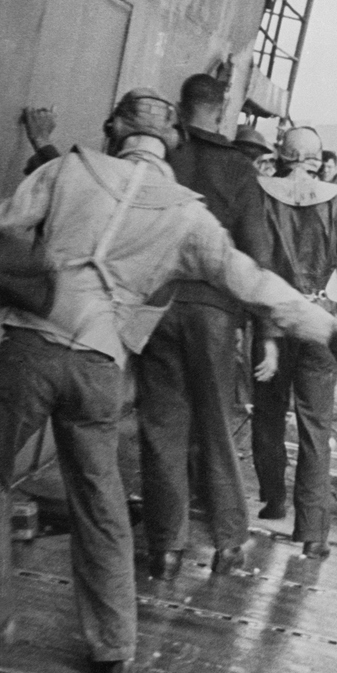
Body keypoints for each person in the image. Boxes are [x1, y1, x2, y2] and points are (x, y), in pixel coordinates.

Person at [0, 89, 337, 673]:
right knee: (100, 503)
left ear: (113, 130)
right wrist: (326, 325)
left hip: (33, 350)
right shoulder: (188, 215)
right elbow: (251, 280)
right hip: (102, 367)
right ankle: (114, 647)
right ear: (169, 144)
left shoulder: (68, 168)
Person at [137, 73, 276, 581]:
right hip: (215, 314)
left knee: (161, 426)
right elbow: (258, 255)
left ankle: (165, 547)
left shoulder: (165, 159)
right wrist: (268, 335)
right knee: (216, 425)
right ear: (223, 111)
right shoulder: (240, 171)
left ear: (181, 107)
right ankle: (228, 543)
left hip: (157, 307)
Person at [252, 126, 337, 559]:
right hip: (322, 321)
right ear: (318, 161)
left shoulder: (262, 193)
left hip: (273, 316)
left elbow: (256, 261)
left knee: (267, 413)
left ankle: (272, 498)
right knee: (315, 426)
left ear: (282, 155)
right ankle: (312, 530)